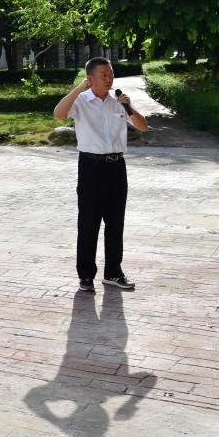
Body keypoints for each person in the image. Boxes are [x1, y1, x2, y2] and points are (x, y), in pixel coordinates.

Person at [53, 57, 148, 293]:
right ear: (90, 78)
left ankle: (113, 273)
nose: (109, 78)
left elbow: (143, 126)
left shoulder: (119, 102)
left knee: (115, 222)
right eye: (103, 74)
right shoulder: (81, 101)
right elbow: (59, 114)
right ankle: (86, 275)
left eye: (111, 73)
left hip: (117, 167)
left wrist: (129, 106)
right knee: (89, 222)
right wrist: (78, 89)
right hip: (91, 167)